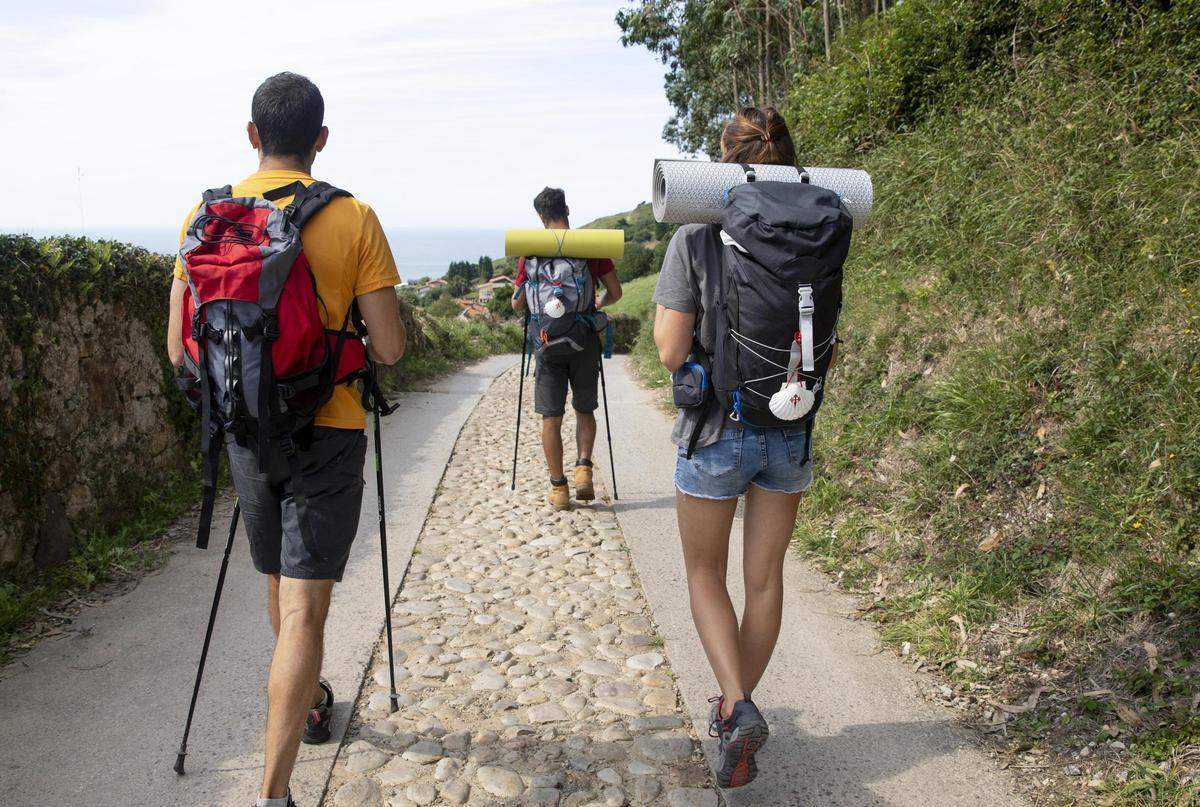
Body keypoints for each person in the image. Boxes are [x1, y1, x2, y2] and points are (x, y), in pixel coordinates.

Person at [166, 72, 405, 807]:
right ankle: (273, 792)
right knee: (305, 609)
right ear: (321, 140)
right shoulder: (352, 217)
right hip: (328, 430)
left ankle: (304, 699)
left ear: (251, 136)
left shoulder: (205, 218)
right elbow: (391, 348)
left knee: (279, 583)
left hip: (244, 433)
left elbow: (179, 348)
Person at [651, 107, 840, 788]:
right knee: (764, 579)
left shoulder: (697, 236)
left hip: (714, 433)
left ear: (720, 162)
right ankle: (737, 710)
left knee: (706, 574)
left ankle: (735, 705)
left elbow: (671, 349)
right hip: (790, 426)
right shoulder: (818, 230)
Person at [512, 187, 622, 510]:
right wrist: (597, 303)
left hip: (545, 344)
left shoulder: (529, 251)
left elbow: (519, 305)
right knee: (584, 409)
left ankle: (559, 489)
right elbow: (615, 291)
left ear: (540, 217)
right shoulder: (590, 247)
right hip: (584, 338)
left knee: (551, 417)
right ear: (567, 210)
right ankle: (584, 468)